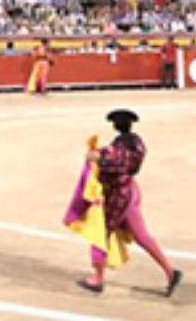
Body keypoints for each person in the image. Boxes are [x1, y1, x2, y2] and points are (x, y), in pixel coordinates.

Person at [63, 110, 182, 297]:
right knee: (142, 236)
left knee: (100, 232)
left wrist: (97, 158)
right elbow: (124, 161)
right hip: (131, 192)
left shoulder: (117, 149)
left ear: (114, 126)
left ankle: (98, 279)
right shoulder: (137, 143)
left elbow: (115, 161)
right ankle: (170, 271)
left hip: (118, 197)